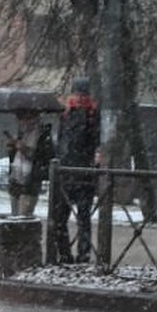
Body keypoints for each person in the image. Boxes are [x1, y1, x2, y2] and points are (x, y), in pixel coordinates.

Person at [50, 77, 100, 263]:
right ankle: (65, 253)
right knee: (60, 217)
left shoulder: (92, 115)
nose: (79, 97)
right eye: (77, 93)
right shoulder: (67, 114)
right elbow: (63, 141)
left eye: (82, 94)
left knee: (83, 217)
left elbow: (94, 141)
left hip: (82, 173)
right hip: (67, 172)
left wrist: (93, 161)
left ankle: (82, 253)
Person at [5, 108, 54, 218]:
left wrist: (25, 149)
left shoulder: (42, 135)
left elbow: (44, 156)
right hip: (16, 178)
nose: (22, 122)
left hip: (30, 181)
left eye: (25, 119)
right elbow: (15, 157)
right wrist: (12, 148)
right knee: (14, 216)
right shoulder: (21, 133)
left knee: (24, 216)